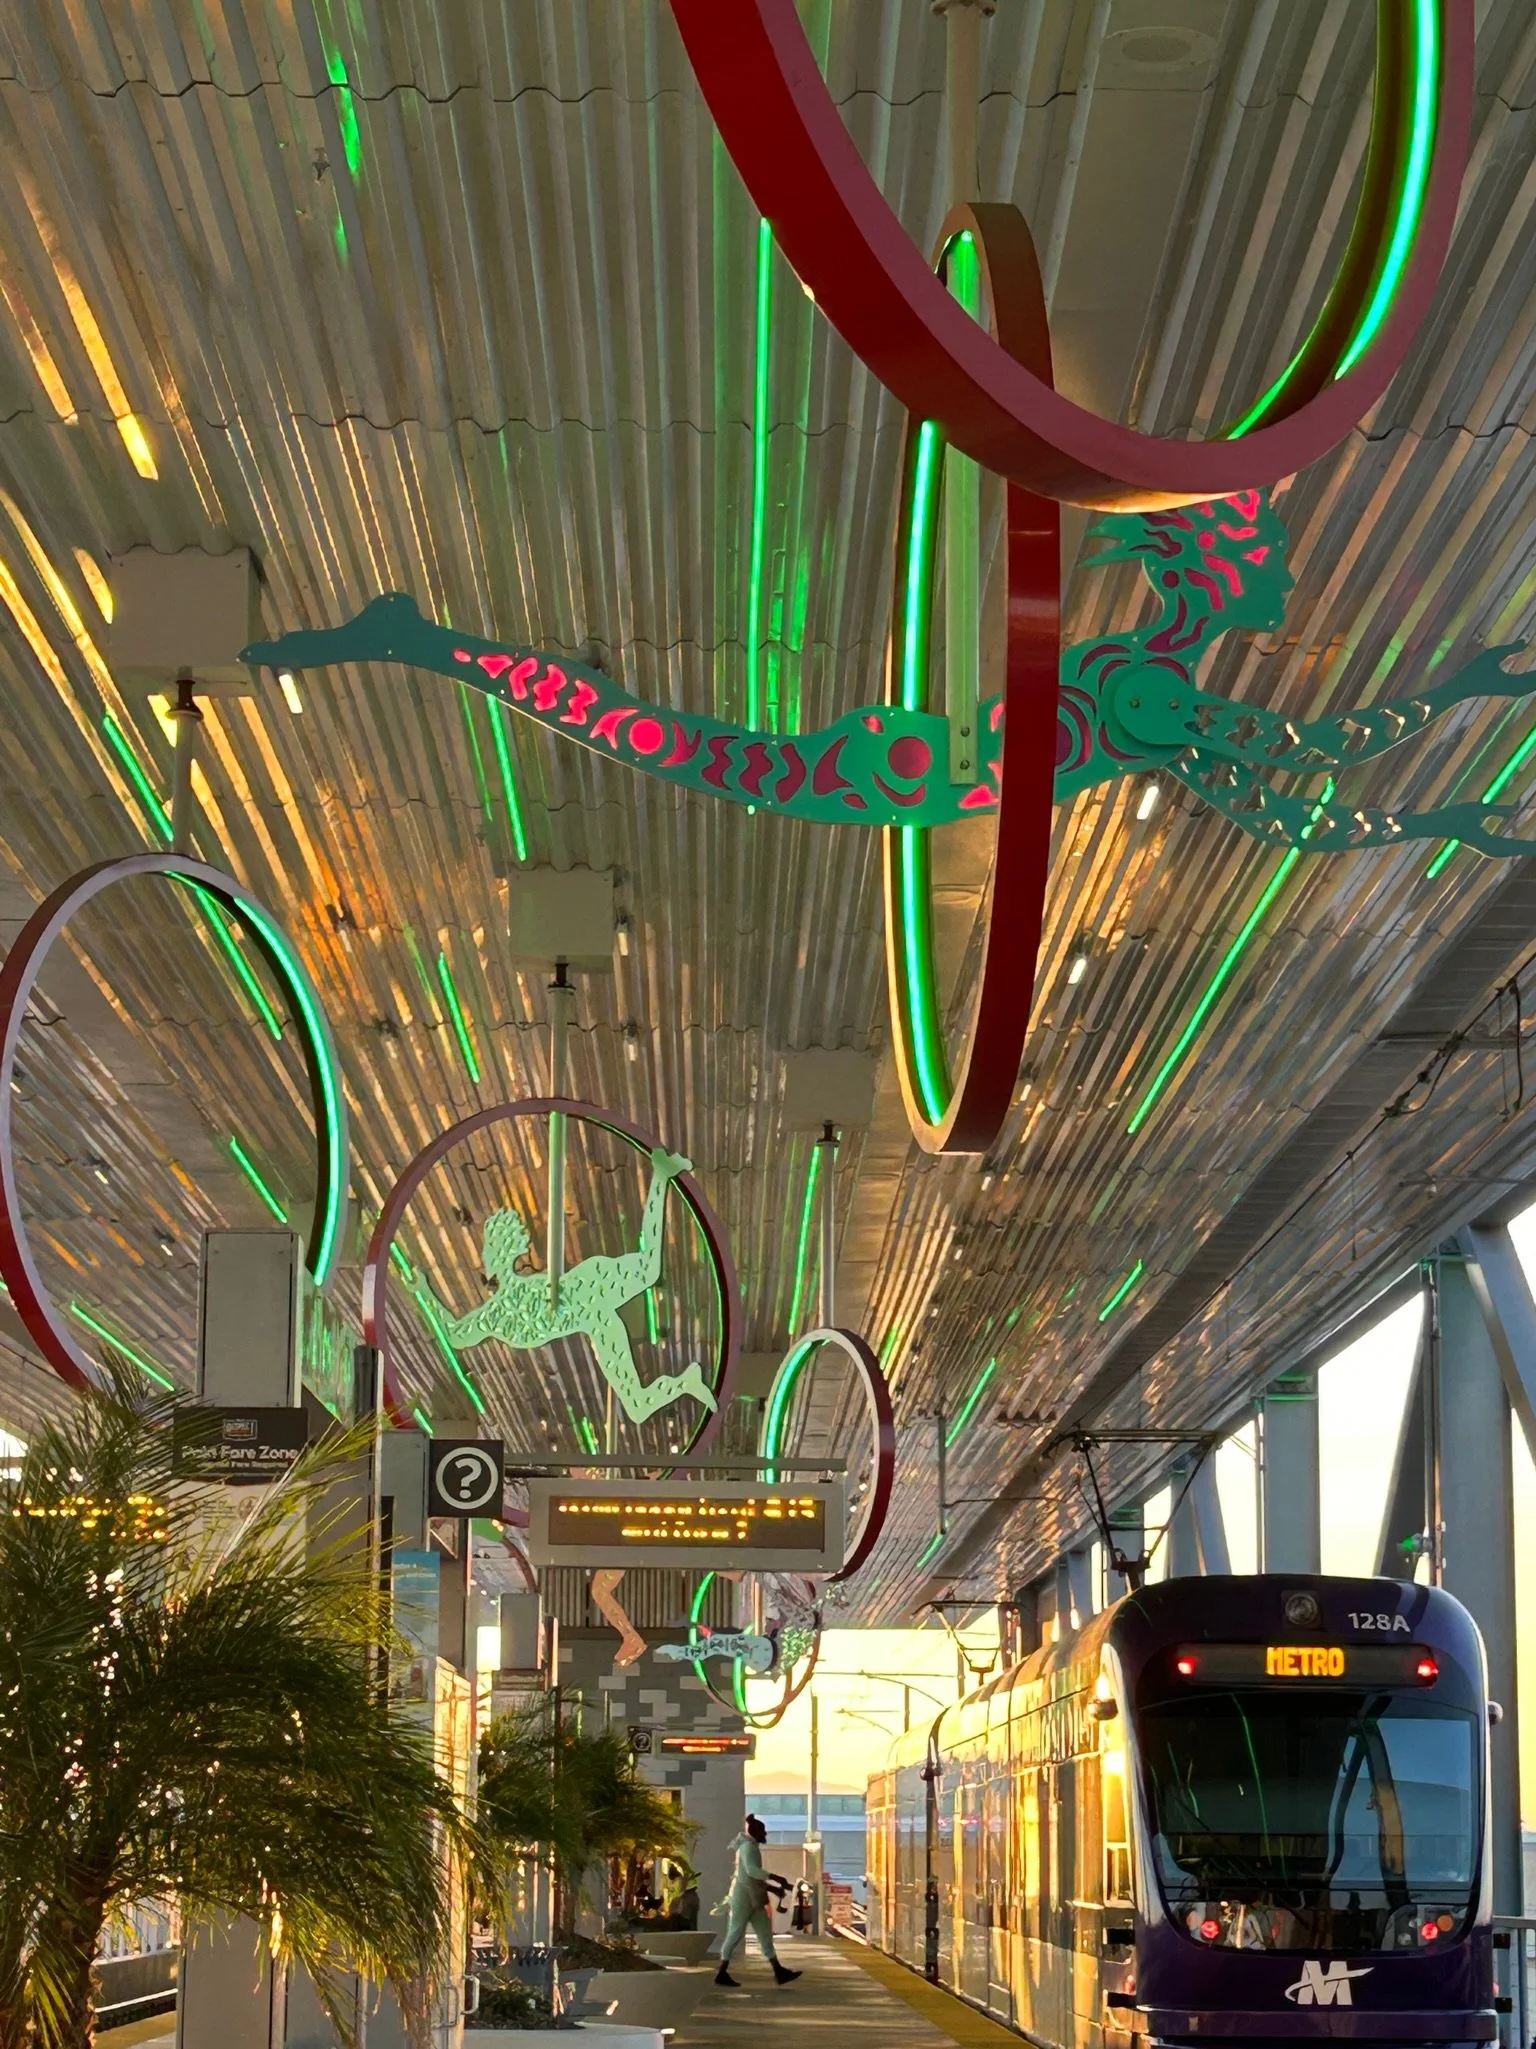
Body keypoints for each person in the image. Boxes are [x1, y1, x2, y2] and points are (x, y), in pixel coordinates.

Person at [425, 1147, 716, 1424]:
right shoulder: (494, 1315)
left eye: (488, 1247)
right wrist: (424, 1292)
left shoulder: (497, 1314)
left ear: (501, 1251)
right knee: (638, 1408)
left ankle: (661, 1175)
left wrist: (425, 1293)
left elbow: (457, 1335)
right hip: (594, 1317)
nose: (484, 1254)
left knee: (650, 1268)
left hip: (586, 1289)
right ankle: (685, 1382)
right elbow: (455, 1336)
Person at [714, 1815, 800, 1988]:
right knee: (735, 1933)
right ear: (755, 1832)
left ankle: (778, 1971)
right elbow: (752, 1872)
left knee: (765, 1935)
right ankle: (721, 1972)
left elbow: (751, 1878)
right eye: (763, 1831)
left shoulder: (750, 1847)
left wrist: (775, 1888)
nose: (765, 1834)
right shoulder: (748, 1847)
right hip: (743, 1899)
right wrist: (775, 1878)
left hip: (754, 1898)